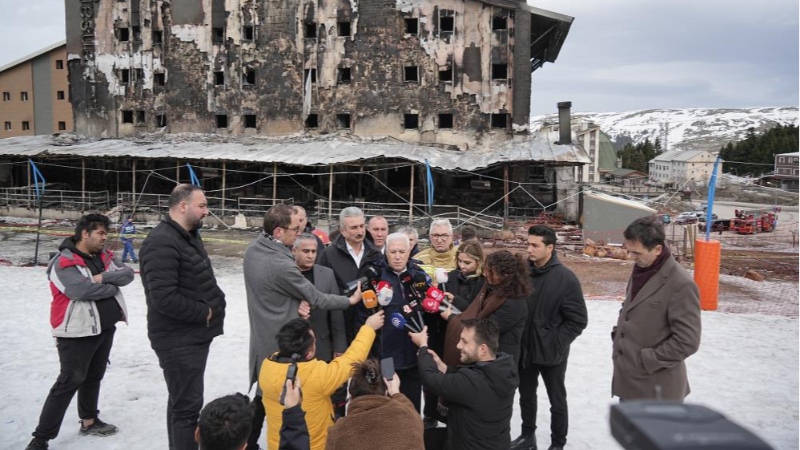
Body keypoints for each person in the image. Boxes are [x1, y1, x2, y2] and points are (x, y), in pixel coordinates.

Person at [244, 205, 360, 449]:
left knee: (264, 399)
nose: (298, 232)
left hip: (263, 340)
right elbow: (317, 298)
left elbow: (272, 291)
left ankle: (246, 443)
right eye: (294, 230)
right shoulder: (282, 264)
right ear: (278, 232)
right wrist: (349, 300)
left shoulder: (254, 250)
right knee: (279, 403)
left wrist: (294, 301)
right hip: (282, 344)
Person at [25, 214, 134, 450]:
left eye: (106, 233)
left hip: (104, 328)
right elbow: (78, 290)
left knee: (93, 377)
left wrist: (102, 277)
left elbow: (127, 274)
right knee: (68, 382)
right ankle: (41, 439)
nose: (105, 238)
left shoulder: (104, 256)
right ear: (85, 233)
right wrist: (110, 288)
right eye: (101, 233)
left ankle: (89, 421)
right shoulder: (62, 261)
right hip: (76, 332)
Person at [139, 184, 227, 450]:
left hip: (191, 336)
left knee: (181, 402)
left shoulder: (187, 234)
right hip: (177, 339)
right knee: (187, 410)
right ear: (183, 206)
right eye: (201, 205)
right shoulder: (161, 241)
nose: (206, 211)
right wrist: (206, 312)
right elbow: (163, 298)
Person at [511, 226, 588, 450]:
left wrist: (554, 340)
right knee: (526, 395)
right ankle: (528, 436)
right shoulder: (523, 271)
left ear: (550, 248)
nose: (529, 249)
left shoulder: (566, 279)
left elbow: (578, 320)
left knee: (557, 400)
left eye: (535, 245)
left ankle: (557, 444)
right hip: (525, 348)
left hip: (552, 351)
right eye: (528, 244)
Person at [260, 313, 385, 450]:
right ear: (309, 354)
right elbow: (350, 360)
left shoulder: (266, 367)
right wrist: (368, 328)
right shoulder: (318, 376)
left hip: (278, 445)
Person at [612, 216, 701, 401]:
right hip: (629, 382)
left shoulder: (680, 283)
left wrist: (648, 360)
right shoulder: (642, 269)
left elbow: (687, 341)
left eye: (637, 253)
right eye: (630, 252)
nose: (632, 258)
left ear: (658, 249)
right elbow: (630, 307)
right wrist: (618, 333)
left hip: (657, 389)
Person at [410, 319, 519, 450]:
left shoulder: (473, 381)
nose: (458, 345)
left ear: (483, 349)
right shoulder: (503, 366)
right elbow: (468, 379)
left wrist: (422, 347)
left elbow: (430, 379)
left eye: (465, 341)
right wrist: (443, 367)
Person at [354, 232, 428, 412]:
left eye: (402, 251)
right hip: (386, 354)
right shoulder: (375, 277)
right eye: (393, 251)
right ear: (386, 252)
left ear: (409, 251)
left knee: (412, 405)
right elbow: (363, 316)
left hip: (413, 352)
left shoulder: (418, 274)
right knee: (387, 403)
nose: (397, 256)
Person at [441, 250, 528, 369]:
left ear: (505, 275)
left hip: (499, 361)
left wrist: (452, 318)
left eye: (490, 271)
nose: (486, 274)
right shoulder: (492, 288)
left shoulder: (514, 302)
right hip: (484, 357)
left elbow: (486, 329)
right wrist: (456, 300)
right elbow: (475, 310)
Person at [324, 359, 425, 450]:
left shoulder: (337, 432)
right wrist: (395, 392)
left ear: (351, 396)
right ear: (386, 392)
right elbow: (410, 409)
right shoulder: (409, 417)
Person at [317, 207, 383, 343]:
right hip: (340, 328)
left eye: (361, 226)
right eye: (354, 228)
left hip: (369, 327)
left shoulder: (376, 254)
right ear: (342, 231)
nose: (359, 231)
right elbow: (321, 294)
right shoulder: (328, 255)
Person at [443, 240, 487, 312]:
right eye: (459, 261)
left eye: (467, 263)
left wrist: (456, 301)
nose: (462, 266)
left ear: (478, 262)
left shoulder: (485, 282)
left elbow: (480, 312)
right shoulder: (450, 276)